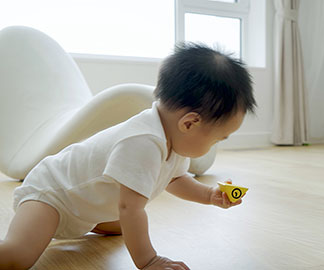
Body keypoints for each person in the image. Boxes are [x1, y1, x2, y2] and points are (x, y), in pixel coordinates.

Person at [0, 43, 256, 270]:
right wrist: (149, 260)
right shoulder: (143, 141)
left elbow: (175, 179)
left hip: (83, 206)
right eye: (218, 138)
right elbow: (129, 207)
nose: (216, 145)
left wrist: (209, 195)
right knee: (17, 257)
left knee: (126, 225)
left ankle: (86, 223)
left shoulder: (174, 141)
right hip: (53, 195)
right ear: (189, 124)